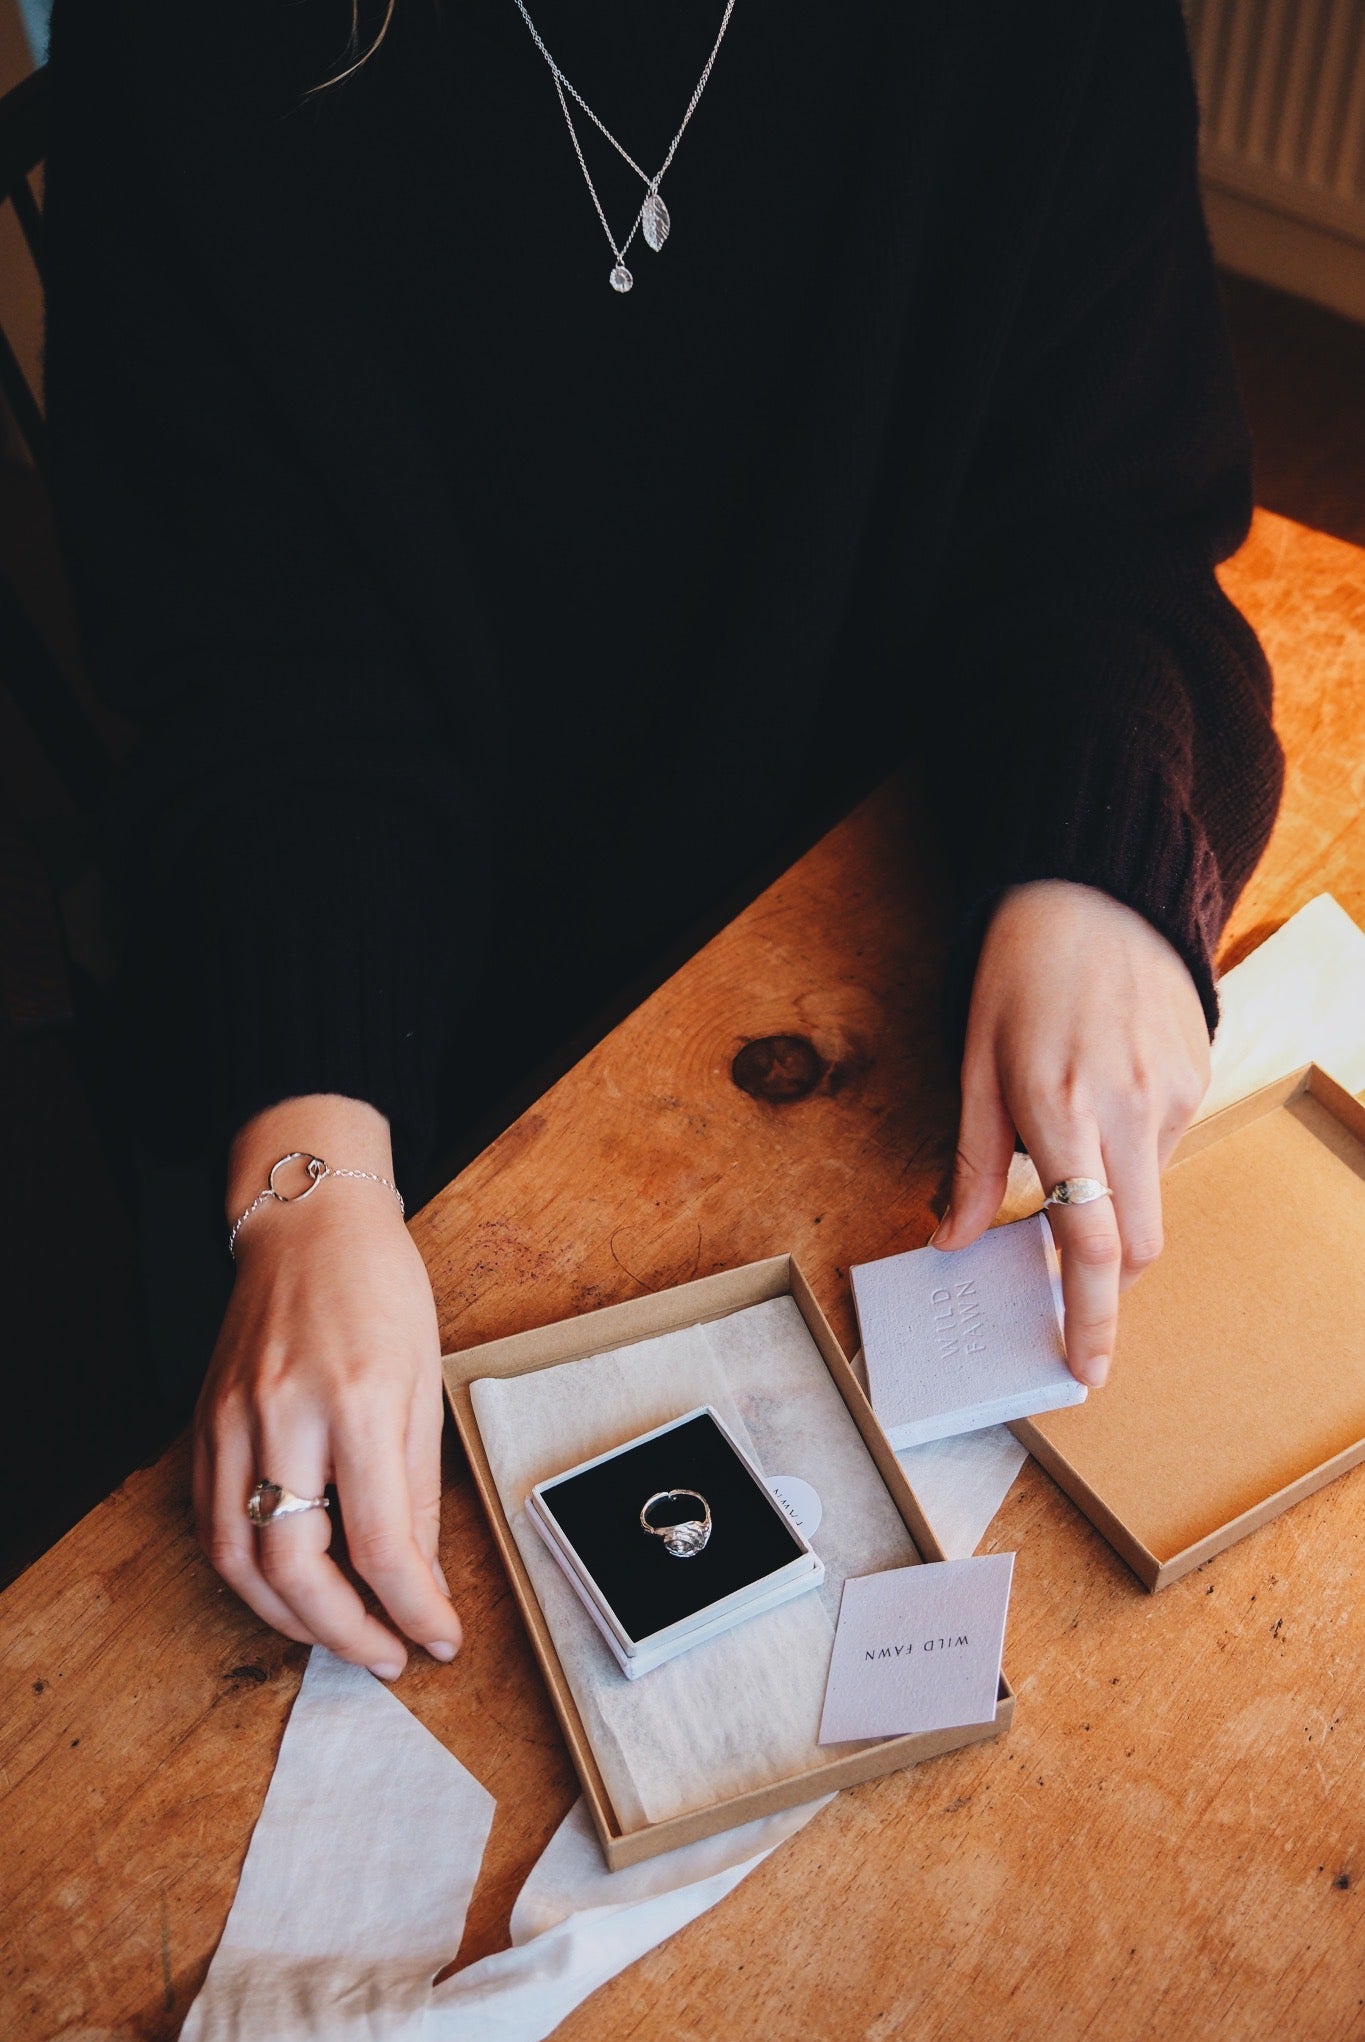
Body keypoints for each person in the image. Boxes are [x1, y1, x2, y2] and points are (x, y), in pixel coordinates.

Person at [41, 0, 1283, 1680]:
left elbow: (1104, 518)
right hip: (429, 1064)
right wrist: (308, 1172)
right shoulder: (185, 52)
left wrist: (1096, 869)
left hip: (908, 967)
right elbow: (267, 701)